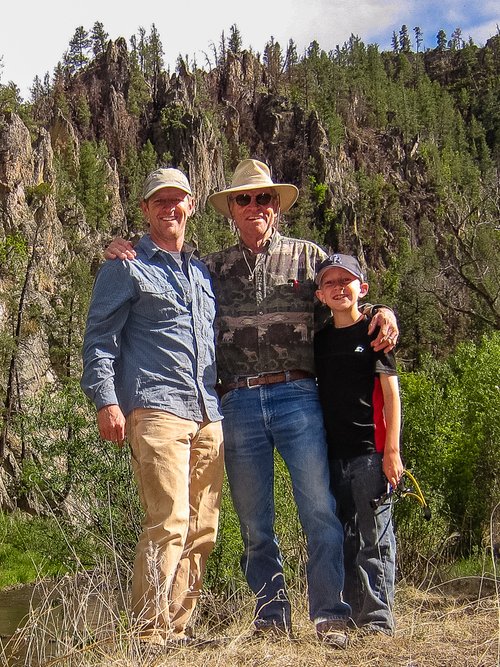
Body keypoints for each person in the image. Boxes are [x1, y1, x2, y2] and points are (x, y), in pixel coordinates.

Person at [106, 158, 399, 649]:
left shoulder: (308, 257)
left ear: (276, 207)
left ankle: (329, 616)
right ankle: (271, 619)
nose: (254, 206)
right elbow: (160, 264)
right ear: (230, 210)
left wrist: (378, 311)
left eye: (264, 198)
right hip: (236, 403)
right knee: (254, 523)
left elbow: (344, 291)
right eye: (244, 199)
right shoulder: (211, 268)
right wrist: (120, 248)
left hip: (298, 396)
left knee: (319, 513)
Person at [81, 168, 224, 646]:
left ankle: (177, 630)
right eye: (158, 201)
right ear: (145, 209)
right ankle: (147, 635)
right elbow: (100, 339)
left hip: (209, 414)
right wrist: (106, 401)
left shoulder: (202, 272)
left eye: (177, 199)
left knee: (202, 530)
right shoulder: (124, 266)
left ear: (190, 206)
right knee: (168, 522)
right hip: (156, 409)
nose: (169, 208)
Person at [314, 253, 403, 636]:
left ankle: (379, 621)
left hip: (371, 454)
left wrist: (392, 453)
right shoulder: (319, 341)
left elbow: (392, 394)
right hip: (331, 457)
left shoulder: (375, 335)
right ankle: (350, 614)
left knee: (376, 539)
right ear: (320, 294)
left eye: (346, 281)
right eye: (330, 282)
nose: (338, 288)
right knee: (345, 539)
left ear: (361, 288)